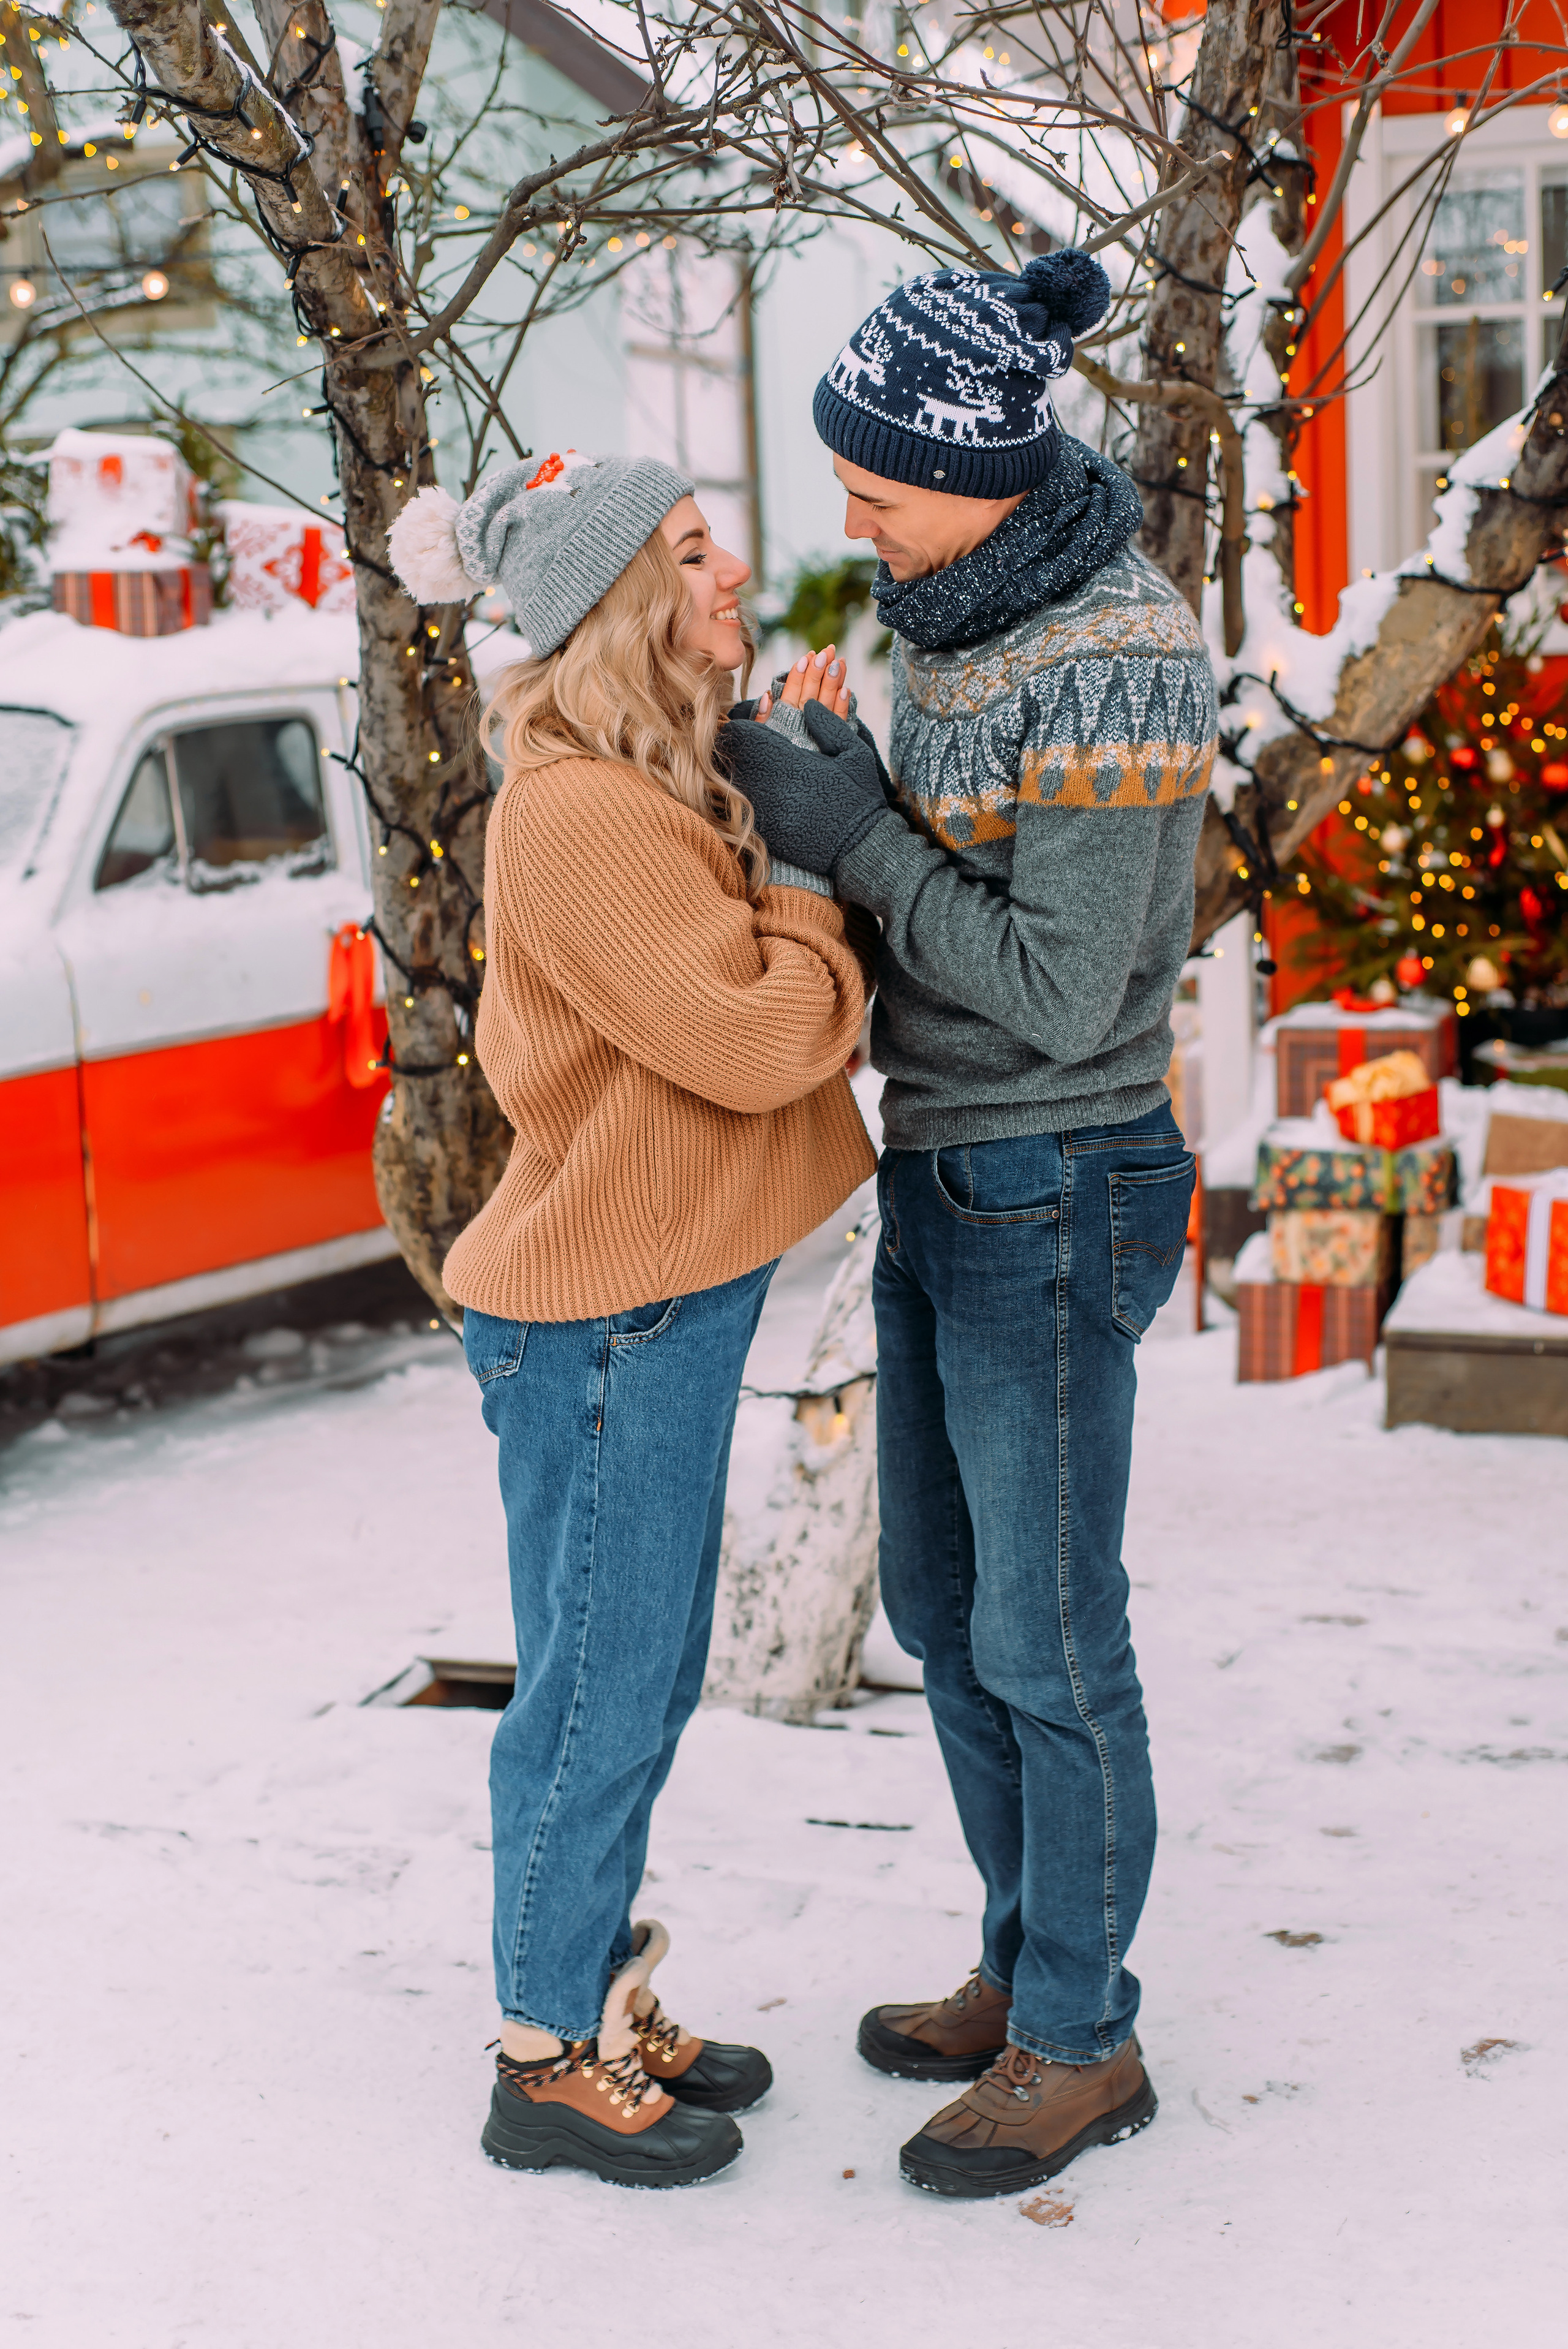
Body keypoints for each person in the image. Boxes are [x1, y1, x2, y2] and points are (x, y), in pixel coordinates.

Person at [720, 251, 1219, 2200]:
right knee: (942, 1609)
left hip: (1056, 1169)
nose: (853, 526)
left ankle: (1083, 2034)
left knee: (1048, 1629)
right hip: (941, 1167)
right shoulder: (954, 614)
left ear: (987, 470)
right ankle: (1029, 1961)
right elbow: (948, 882)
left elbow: (1062, 982)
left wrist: (849, 831)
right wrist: (847, 788)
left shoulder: (1111, 645)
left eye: (878, 494)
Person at [388, 451, 875, 2189]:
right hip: (605, 1322)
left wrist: (783, 792)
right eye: (690, 552)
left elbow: (746, 991)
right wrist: (816, 880)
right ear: (615, 606)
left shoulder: (640, 771)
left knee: (641, 1669)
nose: (733, 569)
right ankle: (543, 2048)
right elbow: (755, 1036)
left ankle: (588, 1977)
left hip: (645, 1307)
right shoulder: (579, 812)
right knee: (602, 1689)